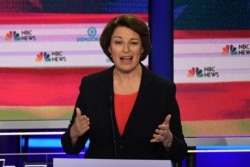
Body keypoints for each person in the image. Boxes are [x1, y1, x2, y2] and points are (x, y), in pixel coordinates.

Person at [61, 14, 188, 163]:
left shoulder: (162, 89)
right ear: (109, 47)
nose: (126, 50)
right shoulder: (91, 86)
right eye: (118, 42)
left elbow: (180, 152)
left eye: (133, 43)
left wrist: (168, 139)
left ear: (142, 48)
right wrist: (75, 132)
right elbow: (70, 148)